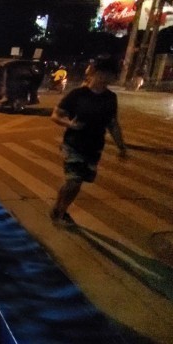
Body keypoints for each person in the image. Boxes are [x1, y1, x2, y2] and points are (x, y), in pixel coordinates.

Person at [49, 55, 127, 227]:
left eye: (110, 75)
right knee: (74, 181)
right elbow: (55, 115)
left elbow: (113, 123)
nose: (105, 78)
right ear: (93, 73)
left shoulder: (110, 98)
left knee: (78, 183)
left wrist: (121, 147)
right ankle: (60, 213)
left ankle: (59, 207)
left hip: (94, 146)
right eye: (102, 73)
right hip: (73, 144)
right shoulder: (78, 94)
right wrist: (70, 124)